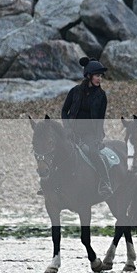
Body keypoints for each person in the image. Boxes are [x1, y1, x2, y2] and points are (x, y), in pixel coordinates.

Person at [59, 57, 112, 198]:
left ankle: (105, 182)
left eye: (101, 76)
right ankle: (51, 184)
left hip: (90, 134)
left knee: (94, 153)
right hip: (71, 132)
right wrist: (68, 127)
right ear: (89, 76)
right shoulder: (75, 91)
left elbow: (100, 119)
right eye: (97, 76)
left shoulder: (101, 96)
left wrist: (98, 137)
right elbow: (64, 111)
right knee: (57, 151)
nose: (99, 79)